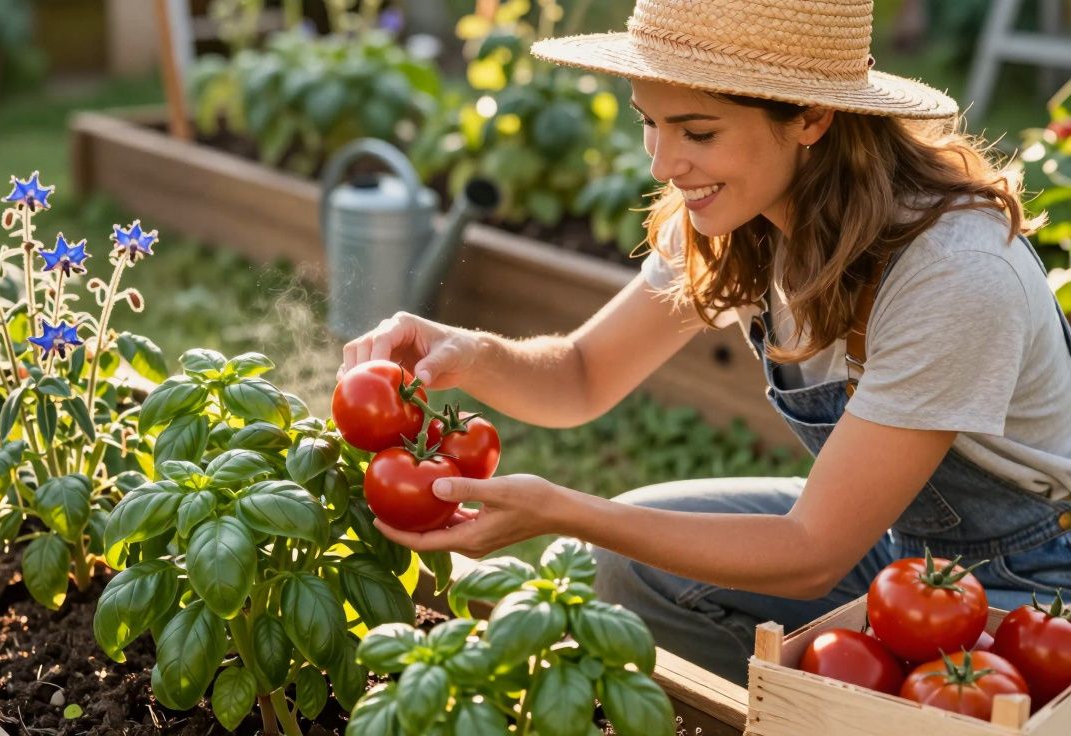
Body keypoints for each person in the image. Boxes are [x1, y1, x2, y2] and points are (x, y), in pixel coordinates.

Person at [336, 0, 1071, 686]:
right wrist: (468, 352)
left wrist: (565, 509)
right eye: (649, 122)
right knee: (635, 567)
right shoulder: (742, 215)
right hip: (889, 539)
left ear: (812, 114)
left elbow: (812, 552)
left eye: (697, 131)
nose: (662, 163)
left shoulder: (951, 273)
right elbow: (582, 375)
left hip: (1032, 582)